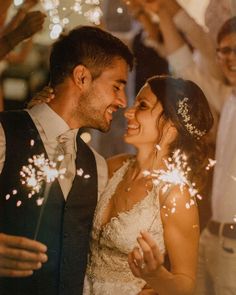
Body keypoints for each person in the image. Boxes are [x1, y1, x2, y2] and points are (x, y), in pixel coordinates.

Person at [0, 25, 133, 295]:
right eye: (116, 86)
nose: (122, 101)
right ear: (82, 77)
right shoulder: (4, 134)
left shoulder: (97, 166)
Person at [83, 75, 213, 295]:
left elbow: (186, 286)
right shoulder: (114, 167)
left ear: (171, 124)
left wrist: (155, 275)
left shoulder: (175, 195)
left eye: (142, 106)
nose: (128, 113)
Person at [142, 2, 236, 293]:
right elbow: (185, 65)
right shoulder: (228, 97)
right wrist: (165, 16)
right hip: (213, 235)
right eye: (224, 51)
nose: (229, 58)